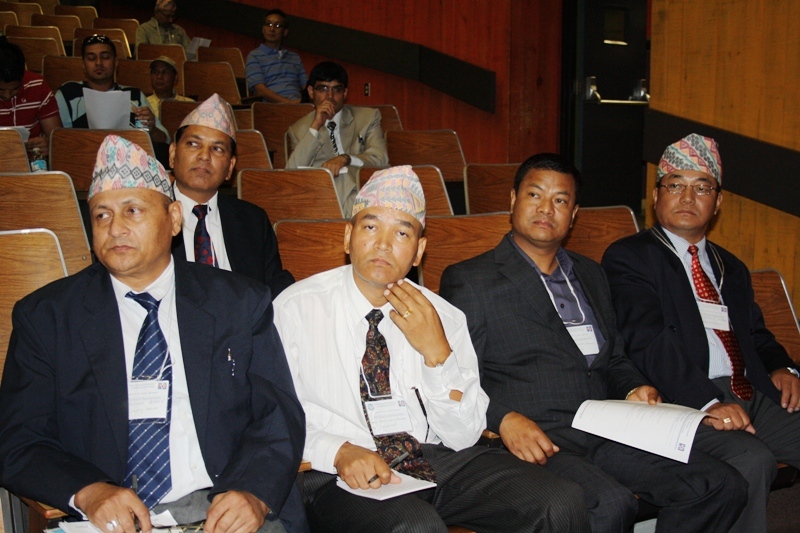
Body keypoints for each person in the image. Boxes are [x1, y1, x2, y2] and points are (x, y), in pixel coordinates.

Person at [0, 134, 307, 533]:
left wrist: (253, 492)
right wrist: (89, 492)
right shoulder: (48, 317)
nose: (115, 228)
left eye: (133, 210)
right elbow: (19, 438)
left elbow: (278, 414)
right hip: (111, 518)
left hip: (222, 506)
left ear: (175, 218)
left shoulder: (238, 303)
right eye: (102, 215)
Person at [439, 153, 748, 533]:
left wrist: (634, 387)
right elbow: (455, 377)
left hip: (607, 426)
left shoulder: (591, 274)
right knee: (610, 504)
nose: (546, 208)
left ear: (573, 214)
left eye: (560, 200)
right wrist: (502, 419)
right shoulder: (471, 280)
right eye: (535, 195)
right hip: (537, 434)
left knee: (720, 485)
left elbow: (614, 358)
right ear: (513, 200)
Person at [273, 165, 589, 533]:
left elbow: (463, 435)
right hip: (333, 470)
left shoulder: (444, 317)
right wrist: (337, 450)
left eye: (402, 232)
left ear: (419, 251)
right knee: (417, 526)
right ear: (347, 237)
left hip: (428, 456)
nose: (383, 244)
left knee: (561, 501)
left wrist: (437, 356)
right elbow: (269, 415)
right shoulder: (296, 308)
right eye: (371, 227)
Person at [602, 133, 800, 533]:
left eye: (702, 188)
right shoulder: (630, 257)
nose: (688, 197)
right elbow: (647, 340)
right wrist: (706, 401)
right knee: (750, 461)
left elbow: (755, 334)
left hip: (750, 389)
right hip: (682, 393)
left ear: (718, 201)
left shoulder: (731, 267)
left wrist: (782, 368)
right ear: (656, 196)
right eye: (675, 185)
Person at [170, 93, 294, 297]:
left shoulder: (253, 221)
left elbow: (272, 291)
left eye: (217, 149)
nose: (204, 156)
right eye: (193, 144)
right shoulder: (150, 216)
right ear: (173, 154)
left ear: (230, 168)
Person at [286, 61, 388, 215]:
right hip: (323, 196)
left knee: (343, 177)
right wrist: (315, 126)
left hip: (365, 187)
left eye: (336, 90)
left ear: (345, 93)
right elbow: (291, 173)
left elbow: (381, 158)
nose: (330, 96)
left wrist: (345, 159)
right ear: (311, 92)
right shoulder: (299, 130)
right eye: (323, 89)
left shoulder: (367, 118)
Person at [55, 34, 169, 144]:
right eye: (91, 58)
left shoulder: (134, 95)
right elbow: (57, 140)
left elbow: (165, 140)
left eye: (105, 57)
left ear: (115, 63)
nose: (98, 63)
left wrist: (152, 129)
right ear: (83, 65)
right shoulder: (67, 94)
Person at [0, 36, 62, 158]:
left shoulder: (37, 85)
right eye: (1, 90)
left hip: (31, 162)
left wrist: (48, 144)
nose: (7, 95)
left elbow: (57, 139)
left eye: (15, 89)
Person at [245, 9, 307, 104]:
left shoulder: (294, 57)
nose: (272, 29)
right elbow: (260, 90)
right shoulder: (254, 56)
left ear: (285, 32)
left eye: (277, 26)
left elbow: (307, 87)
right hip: (272, 107)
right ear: (263, 29)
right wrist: (288, 103)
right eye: (268, 24)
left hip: (298, 104)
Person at [146, 56, 194, 121]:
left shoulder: (189, 104)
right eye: (155, 72)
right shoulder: (143, 104)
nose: (159, 76)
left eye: (165, 72)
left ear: (175, 78)